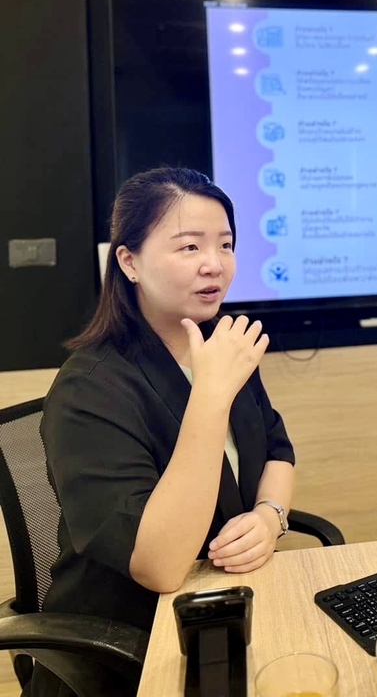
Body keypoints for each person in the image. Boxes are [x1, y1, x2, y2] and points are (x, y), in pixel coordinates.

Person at [35, 167, 294, 695]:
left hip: (224, 612)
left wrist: (270, 517)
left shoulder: (221, 344)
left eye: (225, 245)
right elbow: (160, 566)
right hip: (124, 649)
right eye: (189, 246)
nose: (214, 264)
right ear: (129, 262)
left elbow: (277, 451)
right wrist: (210, 396)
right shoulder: (89, 389)